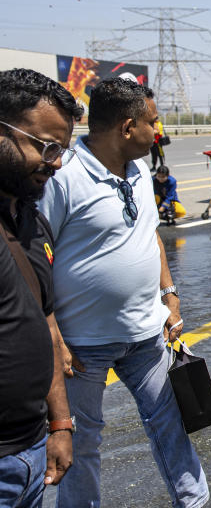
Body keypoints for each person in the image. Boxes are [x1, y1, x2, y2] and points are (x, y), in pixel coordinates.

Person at [37, 76, 208, 507]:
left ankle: (195, 502)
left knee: (173, 425)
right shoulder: (65, 178)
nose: (160, 132)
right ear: (128, 127)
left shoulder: (141, 171)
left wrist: (169, 293)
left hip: (147, 336)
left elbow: (150, 234)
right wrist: (52, 335)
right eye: (154, 122)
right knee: (83, 446)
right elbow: (34, 258)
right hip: (82, 348)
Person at [0, 69, 81, 507]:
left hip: (31, 453)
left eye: (62, 149)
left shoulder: (32, 221)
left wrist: (60, 425)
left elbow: (46, 326)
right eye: (45, 146)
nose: (55, 162)